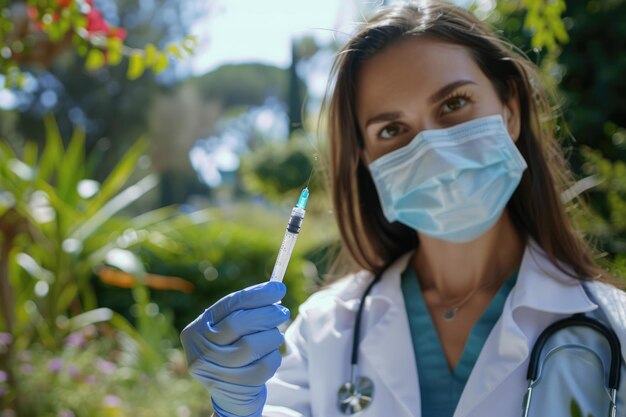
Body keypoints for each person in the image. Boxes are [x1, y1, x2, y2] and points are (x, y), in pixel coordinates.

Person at [180, 1, 626, 416]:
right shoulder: (326, 330)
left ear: (509, 109)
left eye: (454, 104)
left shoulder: (612, 327)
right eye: (392, 129)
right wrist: (235, 407)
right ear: (368, 161)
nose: (432, 148)